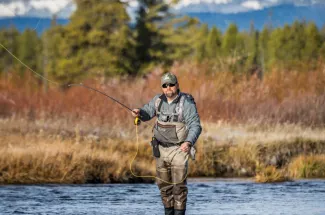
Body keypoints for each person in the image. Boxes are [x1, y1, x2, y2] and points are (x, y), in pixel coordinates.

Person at [131, 72, 202, 215]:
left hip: (179, 149)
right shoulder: (157, 100)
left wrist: (188, 142)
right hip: (160, 150)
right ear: (162, 87)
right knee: (164, 187)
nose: (168, 87)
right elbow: (147, 112)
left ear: (177, 85)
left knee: (178, 187)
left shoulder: (186, 103)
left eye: (171, 84)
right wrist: (139, 112)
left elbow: (196, 126)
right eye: (165, 85)